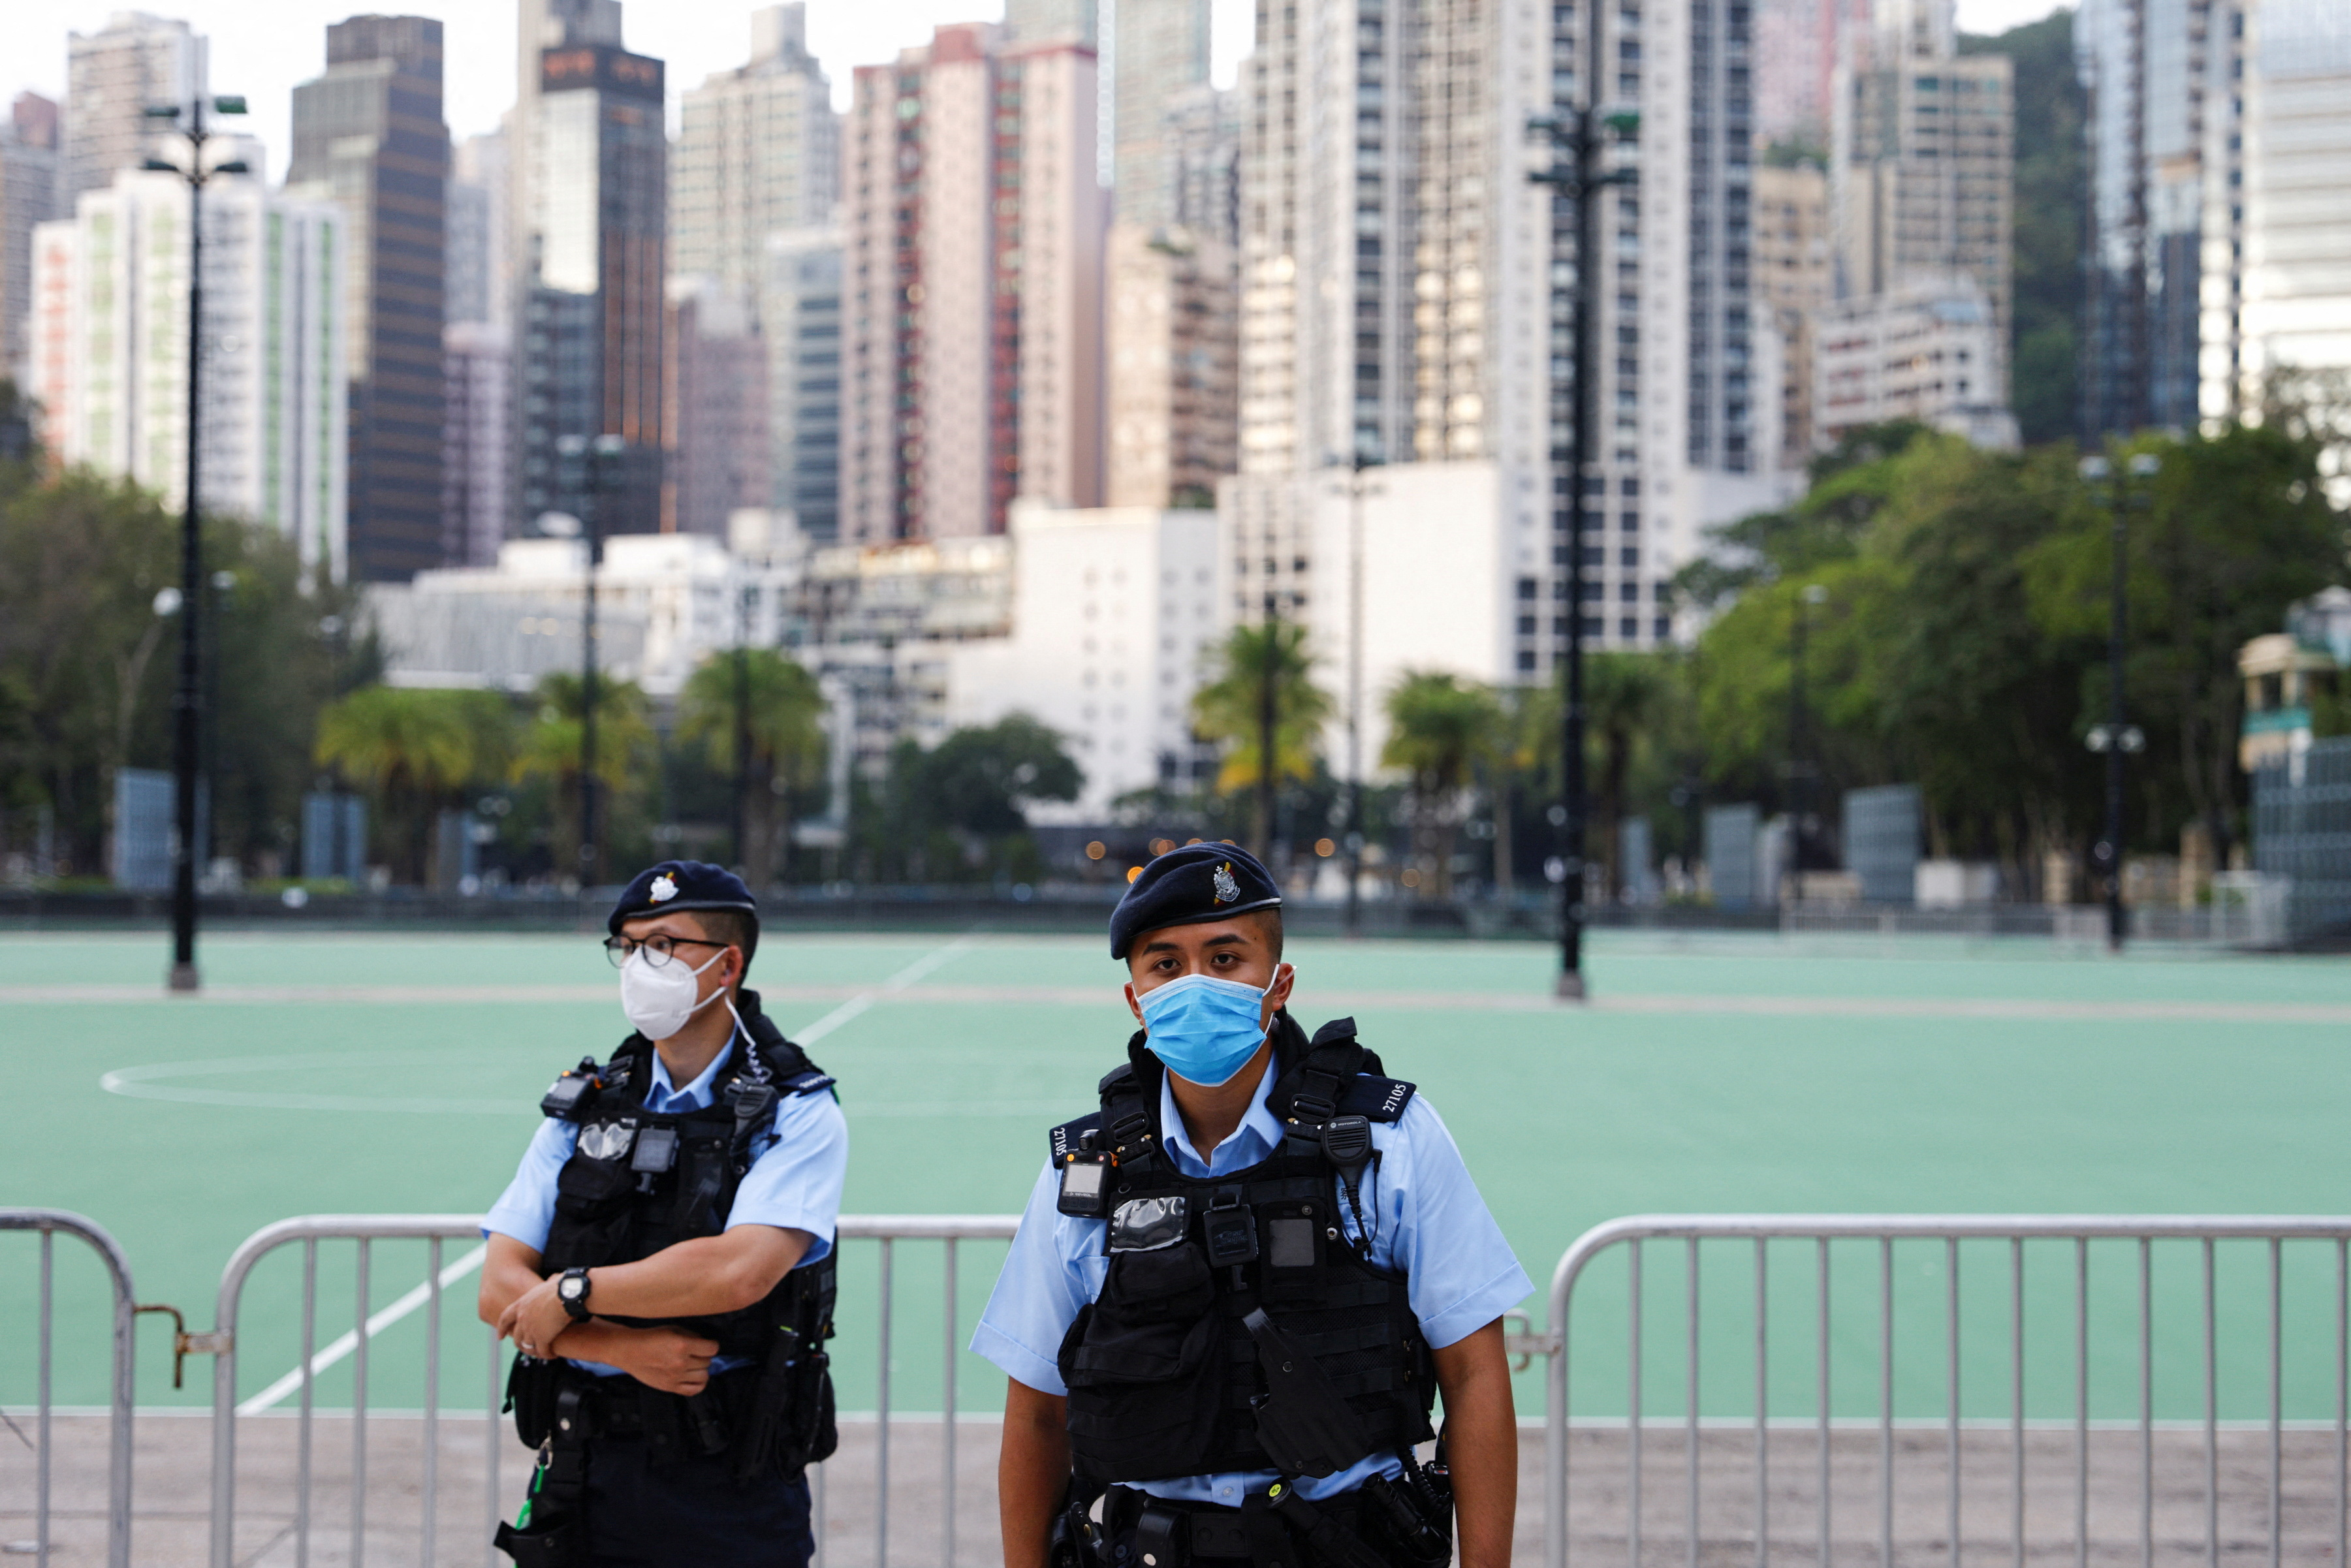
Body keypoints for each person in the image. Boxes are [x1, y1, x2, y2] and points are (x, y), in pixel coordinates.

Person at [973, 843, 1530, 1568]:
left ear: (1278, 983)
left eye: (1226, 957)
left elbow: (1473, 1373)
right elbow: (1038, 1414)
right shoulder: (1086, 1173)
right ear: (1136, 997)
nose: (1195, 983)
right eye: (1165, 964)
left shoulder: (1387, 1141)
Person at [479, 861, 849, 1568]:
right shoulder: (585, 1104)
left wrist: (570, 1293)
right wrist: (616, 1347)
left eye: (663, 943)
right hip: (581, 1466)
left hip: (727, 1480)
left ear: (725, 963)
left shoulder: (798, 1111)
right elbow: (498, 1287)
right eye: (628, 944)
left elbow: (737, 1270)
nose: (638, 964)